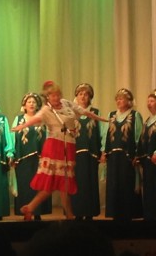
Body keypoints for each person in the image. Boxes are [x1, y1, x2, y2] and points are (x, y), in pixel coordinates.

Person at [12, 81, 107, 220]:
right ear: (48, 97)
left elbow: (83, 111)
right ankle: (68, 215)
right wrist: (22, 126)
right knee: (58, 182)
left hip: (69, 146)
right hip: (54, 146)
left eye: (57, 95)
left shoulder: (66, 103)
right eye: (52, 95)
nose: (56, 98)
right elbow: (36, 119)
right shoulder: (46, 109)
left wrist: (102, 119)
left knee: (63, 183)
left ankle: (31, 207)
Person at [101, 88, 143, 221]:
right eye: (117, 99)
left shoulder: (135, 115)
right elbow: (106, 134)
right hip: (113, 157)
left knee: (127, 184)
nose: (119, 101)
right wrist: (104, 151)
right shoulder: (111, 115)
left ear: (129, 101)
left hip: (127, 157)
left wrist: (137, 154)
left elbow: (139, 136)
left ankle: (128, 214)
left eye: (122, 99)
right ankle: (115, 214)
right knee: (114, 184)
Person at [11, 92, 50, 220]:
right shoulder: (18, 119)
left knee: (39, 185)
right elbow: (13, 137)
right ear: (24, 105)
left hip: (40, 158)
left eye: (34, 102)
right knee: (25, 185)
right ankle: (26, 212)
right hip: (23, 159)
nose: (32, 104)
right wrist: (12, 154)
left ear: (38, 105)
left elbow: (49, 136)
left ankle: (38, 212)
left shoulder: (43, 119)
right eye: (29, 102)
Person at [71, 83, 102, 221]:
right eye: (80, 94)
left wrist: (102, 151)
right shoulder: (71, 113)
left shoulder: (95, 112)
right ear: (76, 96)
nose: (83, 97)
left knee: (90, 182)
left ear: (90, 97)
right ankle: (77, 212)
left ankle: (89, 213)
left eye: (86, 94)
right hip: (75, 154)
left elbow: (101, 132)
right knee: (77, 182)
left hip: (91, 154)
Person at [137, 89, 156, 221]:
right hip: (148, 161)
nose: (149, 103)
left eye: (152, 101)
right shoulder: (147, 120)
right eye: (148, 101)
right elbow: (142, 140)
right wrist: (139, 156)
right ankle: (149, 218)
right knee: (148, 188)